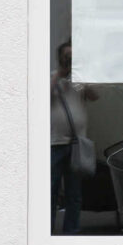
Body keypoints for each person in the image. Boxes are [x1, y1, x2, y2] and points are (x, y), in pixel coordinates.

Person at [51, 41, 98, 234]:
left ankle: (72, 231)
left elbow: (95, 96)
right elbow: (39, 96)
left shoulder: (79, 80)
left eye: (72, 57)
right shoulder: (51, 77)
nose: (68, 60)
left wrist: (80, 74)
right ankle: (48, 231)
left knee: (74, 193)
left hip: (76, 145)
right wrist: (59, 74)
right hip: (54, 144)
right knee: (50, 191)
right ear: (60, 58)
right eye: (66, 56)